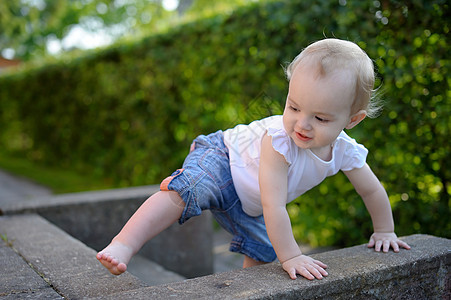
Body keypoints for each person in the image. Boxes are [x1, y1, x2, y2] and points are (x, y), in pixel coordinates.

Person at [96, 38, 411, 280]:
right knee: (186, 189)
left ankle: (243, 289)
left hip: (251, 204)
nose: (302, 123)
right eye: (294, 107)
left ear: (352, 120)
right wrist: (292, 257)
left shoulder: (346, 151)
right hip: (223, 160)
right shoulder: (278, 140)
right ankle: (124, 243)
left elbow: (371, 190)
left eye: (321, 118)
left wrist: (384, 231)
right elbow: (275, 204)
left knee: (262, 250)